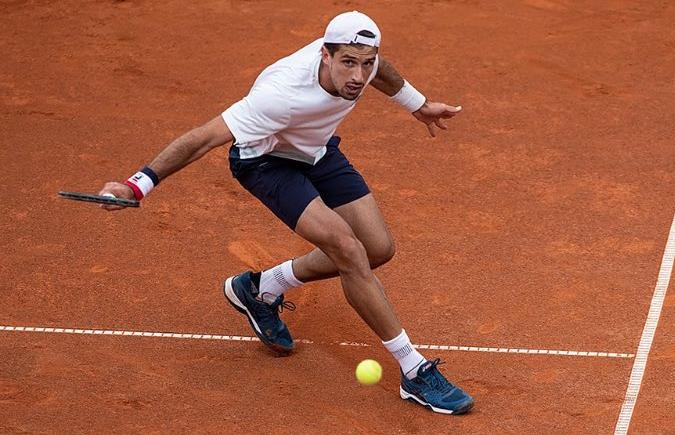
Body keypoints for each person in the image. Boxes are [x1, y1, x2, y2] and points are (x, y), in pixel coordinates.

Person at [99, 11, 473, 415]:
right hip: (267, 162)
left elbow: (384, 72)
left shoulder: (363, 65)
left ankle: (259, 288)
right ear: (324, 55)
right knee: (348, 248)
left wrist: (418, 105)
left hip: (317, 150)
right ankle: (414, 370)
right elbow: (203, 138)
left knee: (378, 248)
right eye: (348, 62)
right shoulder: (279, 95)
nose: (358, 75)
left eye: (366, 63)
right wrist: (137, 184)